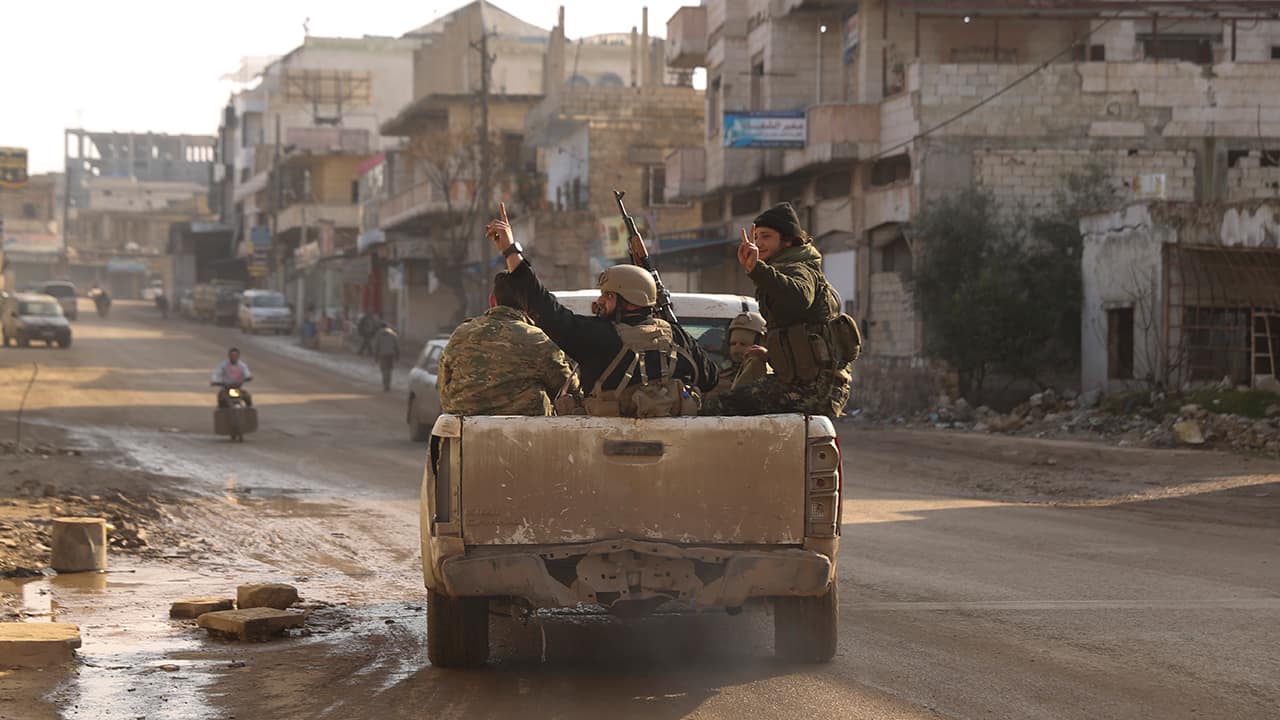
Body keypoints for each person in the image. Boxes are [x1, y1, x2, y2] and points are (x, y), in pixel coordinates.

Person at [484, 205, 718, 416]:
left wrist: (511, 252)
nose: (601, 301)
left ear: (631, 301)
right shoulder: (678, 340)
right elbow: (711, 377)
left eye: (608, 296)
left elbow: (546, 309)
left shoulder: (602, 337)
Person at [703, 202, 851, 418]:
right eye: (756, 237)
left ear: (787, 240)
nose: (758, 243)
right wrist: (771, 354)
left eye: (766, 236)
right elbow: (802, 333)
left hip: (816, 390)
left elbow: (800, 297)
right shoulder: (781, 270)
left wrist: (757, 269)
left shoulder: (800, 268)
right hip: (803, 382)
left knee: (716, 407)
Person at [438, 272, 575, 416]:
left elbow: (442, 387)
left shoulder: (460, 334)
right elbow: (568, 388)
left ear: (492, 300)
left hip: (461, 434)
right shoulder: (537, 340)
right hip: (524, 436)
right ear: (530, 306)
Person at [707, 311, 769, 400]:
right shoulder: (721, 372)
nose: (737, 348)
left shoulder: (761, 369)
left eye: (743, 344)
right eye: (733, 343)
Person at [372, 321, 400, 392]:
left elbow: (376, 346)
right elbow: (397, 346)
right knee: (389, 370)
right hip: (391, 354)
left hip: (382, 354)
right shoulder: (393, 334)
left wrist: (375, 356)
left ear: (381, 327)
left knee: (384, 370)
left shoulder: (379, 334)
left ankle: (385, 385)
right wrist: (397, 355)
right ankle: (388, 385)